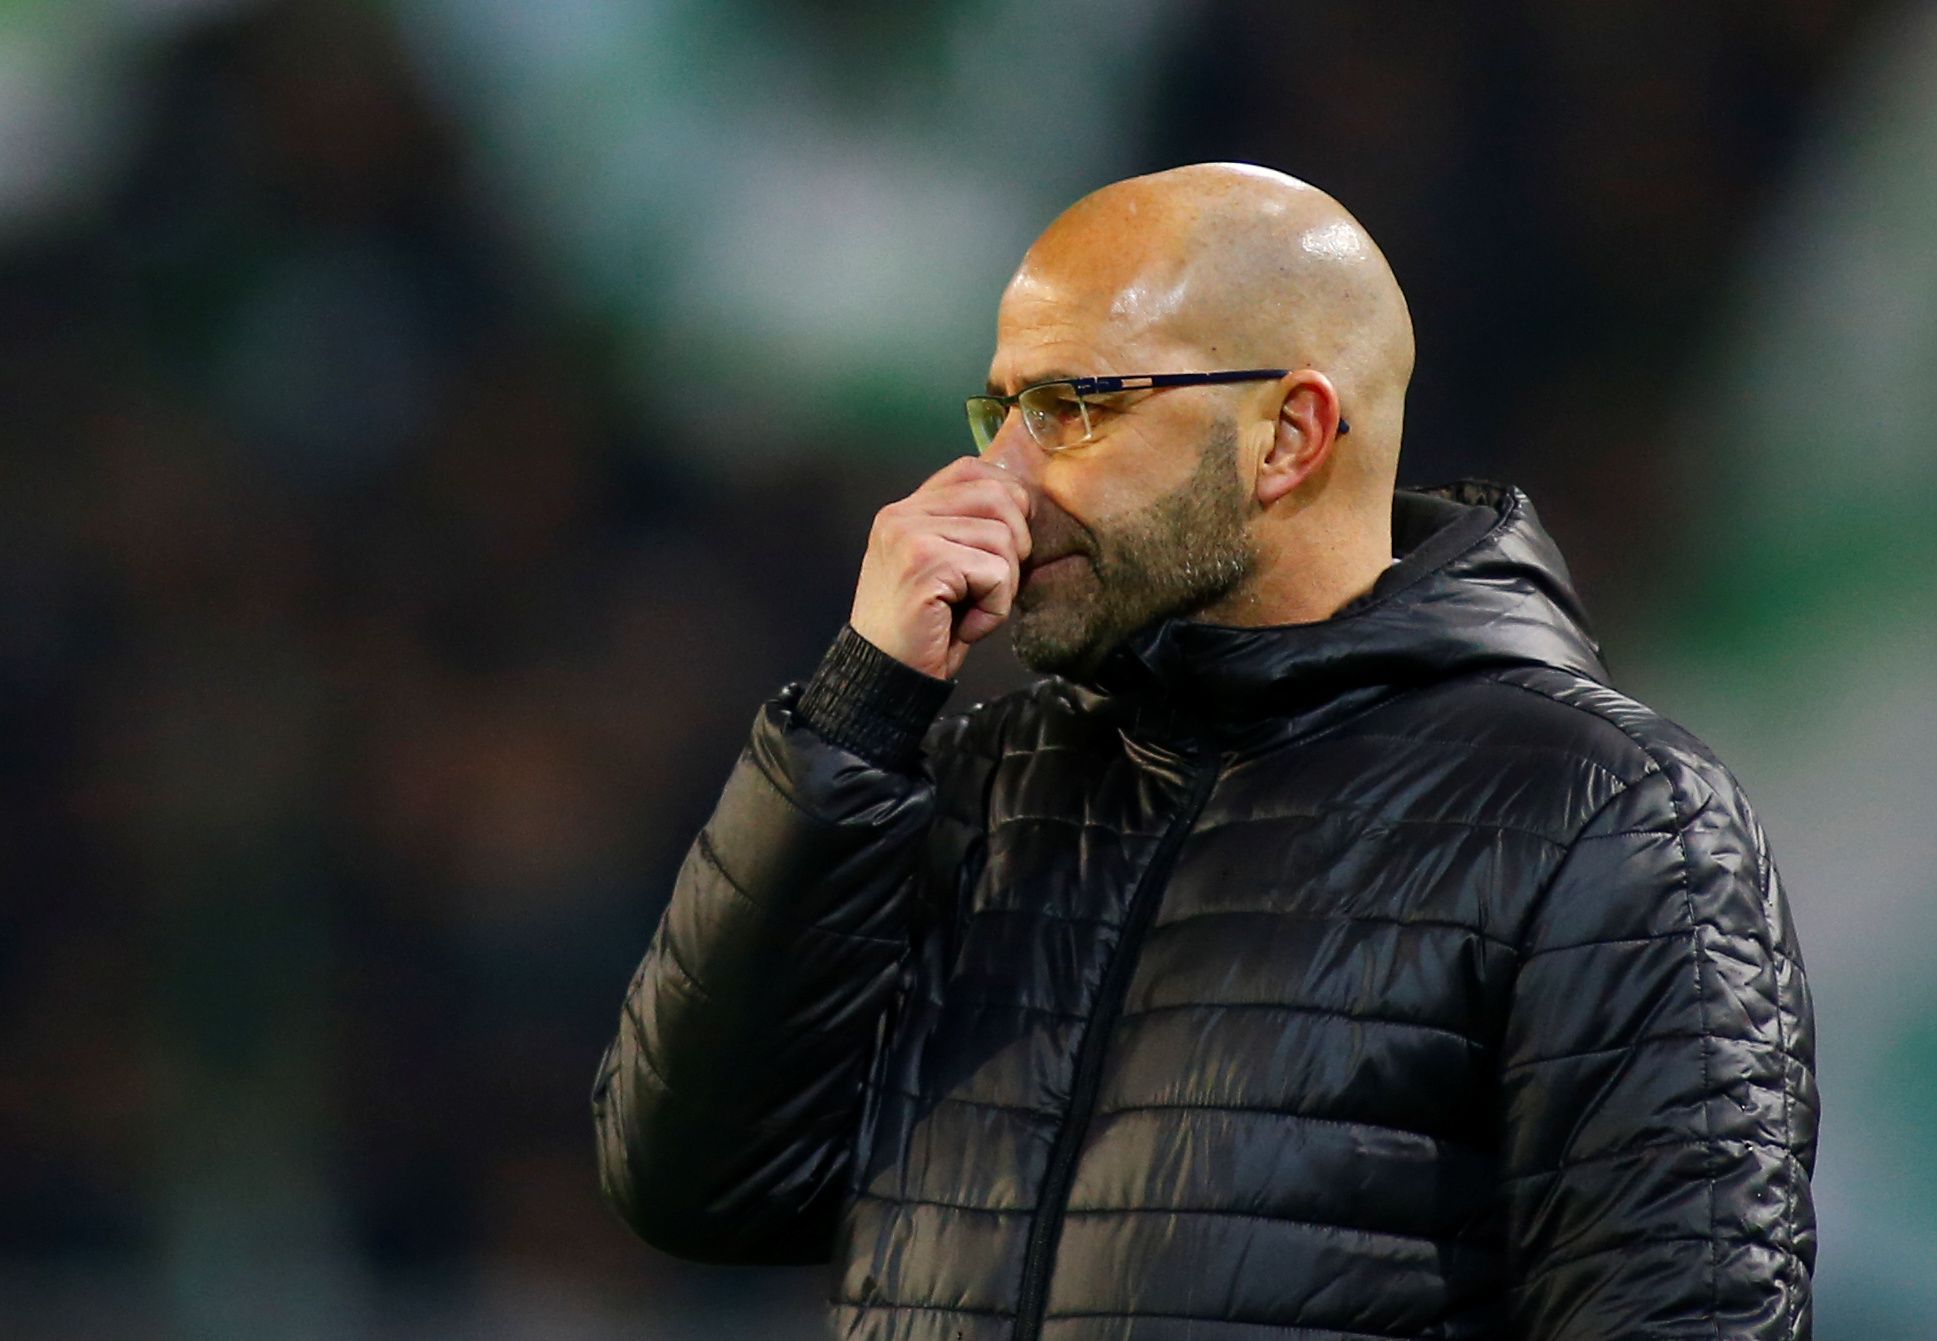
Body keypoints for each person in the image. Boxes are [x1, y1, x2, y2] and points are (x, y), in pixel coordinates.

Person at [591, 163, 1818, 1340]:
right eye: (999, 412)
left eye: (1068, 409)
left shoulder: (1606, 819)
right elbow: (694, 1185)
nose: (996, 478)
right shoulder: (983, 785)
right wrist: (859, 712)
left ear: (1288, 435)